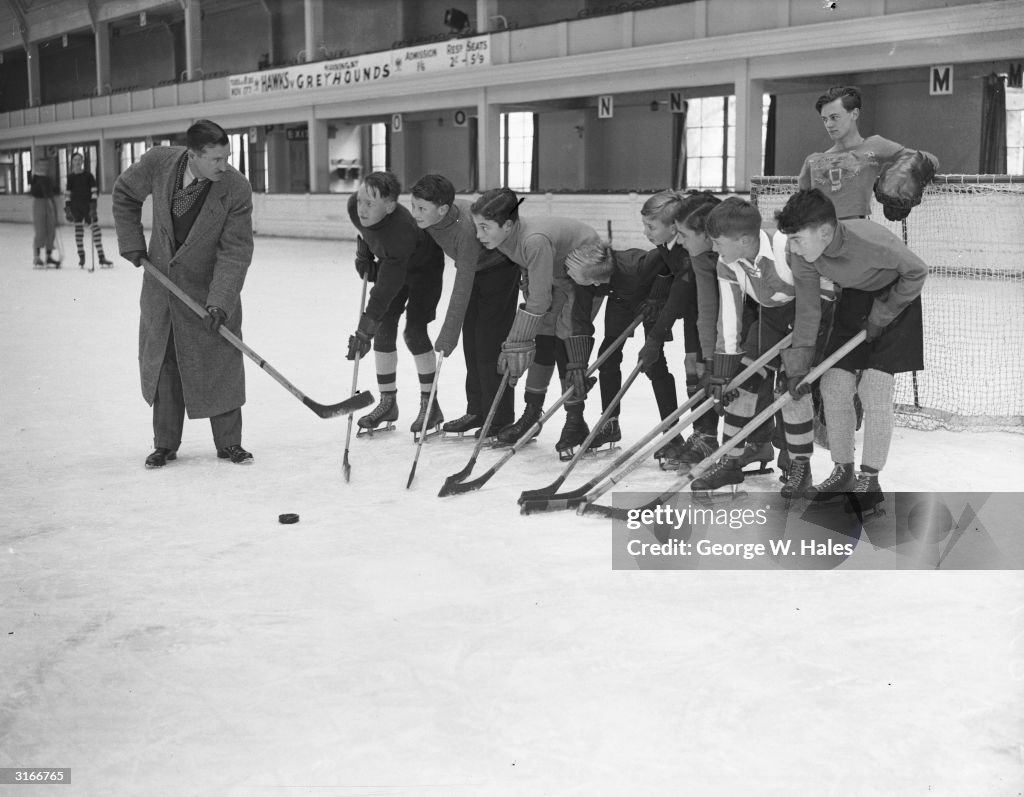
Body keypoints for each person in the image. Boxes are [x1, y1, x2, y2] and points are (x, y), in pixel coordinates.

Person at [112, 119, 255, 468]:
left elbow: (234, 251)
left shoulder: (235, 188)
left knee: (220, 361)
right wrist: (132, 241)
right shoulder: (158, 162)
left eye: (227, 157)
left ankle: (229, 444)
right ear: (193, 155)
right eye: (216, 159)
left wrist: (219, 302)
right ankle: (164, 445)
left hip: (209, 292)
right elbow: (125, 194)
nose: (225, 166)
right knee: (165, 364)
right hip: (162, 286)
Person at [775, 188, 927, 513]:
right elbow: (808, 310)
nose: (792, 246)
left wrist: (883, 313)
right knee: (833, 386)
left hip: (897, 300)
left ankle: (869, 480)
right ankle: (843, 471)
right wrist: (799, 366)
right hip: (855, 299)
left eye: (798, 238)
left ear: (825, 233)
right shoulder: (801, 254)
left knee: (873, 389)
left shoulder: (872, 241)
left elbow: (917, 271)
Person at [688, 197, 834, 500]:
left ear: (743, 240)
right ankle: (730, 461)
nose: (714, 249)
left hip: (813, 313)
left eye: (718, 242)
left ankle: (800, 466)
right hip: (772, 317)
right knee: (742, 383)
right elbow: (729, 318)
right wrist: (721, 371)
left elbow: (817, 297)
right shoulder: (726, 263)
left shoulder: (785, 246)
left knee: (791, 390)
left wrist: (800, 351)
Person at [470, 188, 599, 457]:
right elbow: (533, 281)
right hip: (557, 276)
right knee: (542, 340)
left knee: (565, 342)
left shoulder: (533, 240)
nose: (479, 235)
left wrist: (515, 339)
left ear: (507, 225)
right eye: (476, 227)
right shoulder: (507, 237)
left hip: (585, 277)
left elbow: (539, 301)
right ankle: (531, 413)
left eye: (484, 227)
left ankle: (575, 421)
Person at [408, 174, 519, 438]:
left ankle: (500, 417)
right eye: (413, 206)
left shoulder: (466, 230)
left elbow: (462, 285)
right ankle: (478, 410)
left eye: (421, 209)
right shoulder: (432, 219)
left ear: (443, 209)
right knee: (472, 342)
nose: (415, 214)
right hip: (476, 271)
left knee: (488, 344)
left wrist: (447, 335)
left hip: (500, 271)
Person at [345, 171, 446, 438]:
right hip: (392, 261)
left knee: (414, 332)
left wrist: (364, 330)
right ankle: (388, 403)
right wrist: (364, 251)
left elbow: (385, 288)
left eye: (371, 203)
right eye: (360, 200)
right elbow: (364, 230)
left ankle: (430, 405)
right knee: (385, 331)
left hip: (424, 270)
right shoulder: (354, 208)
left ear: (390, 206)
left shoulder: (400, 230)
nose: (362, 208)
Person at [562, 241, 671, 450]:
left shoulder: (636, 266)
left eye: (572, 274)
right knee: (607, 357)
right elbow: (580, 319)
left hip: (652, 301)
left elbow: (667, 256)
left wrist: (659, 293)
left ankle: (671, 432)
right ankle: (610, 424)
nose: (568, 275)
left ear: (594, 280)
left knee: (655, 363)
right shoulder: (584, 279)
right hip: (620, 299)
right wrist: (578, 363)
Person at [798, 85, 938, 221]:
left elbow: (925, 158)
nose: (828, 124)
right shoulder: (813, 160)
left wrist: (900, 178)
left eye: (834, 117)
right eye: (824, 119)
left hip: (857, 231)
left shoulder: (874, 145)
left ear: (854, 114)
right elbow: (801, 205)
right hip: (820, 233)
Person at [65, 151, 113, 268]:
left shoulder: (88, 176)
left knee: (96, 231)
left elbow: (94, 191)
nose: (77, 162)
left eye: (79, 160)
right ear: (72, 162)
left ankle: (101, 257)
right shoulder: (70, 178)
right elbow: (68, 194)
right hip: (76, 208)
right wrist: (67, 208)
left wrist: (93, 205)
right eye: (75, 160)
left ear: (82, 162)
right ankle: (81, 257)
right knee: (79, 233)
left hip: (87, 207)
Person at [29, 158, 60, 268]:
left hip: (49, 202)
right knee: (40, 229)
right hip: (39, 203)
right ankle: (36, 256)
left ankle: (49, 256)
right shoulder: (35, 178)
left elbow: (55, 190)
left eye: (45, 165)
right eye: (41, 165)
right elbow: (33, 191)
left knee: (51, 229)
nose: (44, 167)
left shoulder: (48, 178)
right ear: (37, 166)